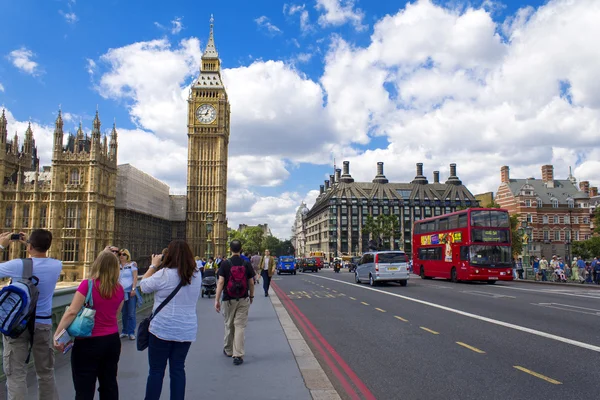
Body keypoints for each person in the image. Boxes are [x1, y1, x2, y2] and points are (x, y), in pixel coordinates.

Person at [0, 230, 61, 400]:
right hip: (43, 324)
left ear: (30, 247)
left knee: (16, 374)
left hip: (17, 325)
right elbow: (41, 256)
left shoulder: (17, 265)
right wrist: (31, 243)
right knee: (46, 373)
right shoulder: (57, 265)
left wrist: (1, 245)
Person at [54, 250, 124, 400]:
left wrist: (58, 334)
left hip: (88, 343)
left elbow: (72, 312)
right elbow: (116, 315)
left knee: (84, 388)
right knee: (109, 384)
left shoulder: (88, 285)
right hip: (112, 341)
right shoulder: (120, 289)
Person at [140, 240, 201, 400]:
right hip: (186, 330)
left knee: (156, 371)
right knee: (178, 369)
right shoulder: (196, 274)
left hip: (162, 329)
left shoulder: (163, 274)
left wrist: (153, 265)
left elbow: (143, 286)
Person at [215, 240, 255, 365]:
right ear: (241, 249)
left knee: (229, 324)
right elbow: (251, 282)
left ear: (230, 249)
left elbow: (221, 282)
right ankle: (238, 355)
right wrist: (251, 296)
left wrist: (217, 299)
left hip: (228, 299)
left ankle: (228, 349)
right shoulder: (246, 263)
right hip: (243, 298)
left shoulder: (225, 263)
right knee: (240, 326)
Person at [118, 248, 138, 340]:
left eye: (124, 254)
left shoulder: (132, 265)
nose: (121, 256)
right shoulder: (117, 266)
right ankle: (124, 331)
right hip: (121, 293)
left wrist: (133, 289)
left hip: (130, 292)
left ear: (127, 256)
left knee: (131, 313)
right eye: (120, 254)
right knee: (124, 313)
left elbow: (135, 278)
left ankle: (131, 332)